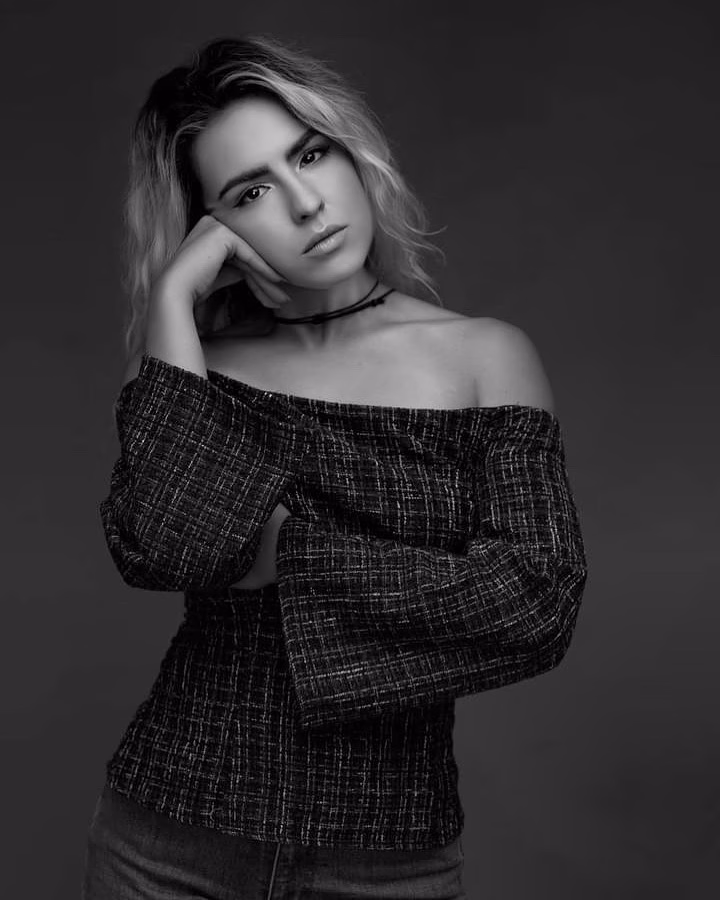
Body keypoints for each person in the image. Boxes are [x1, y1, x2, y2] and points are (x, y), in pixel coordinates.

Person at [81, 33, 588, 900]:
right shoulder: (186, 364)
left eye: (311, 154)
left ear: (354, 153)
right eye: (251, 192)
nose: (306, 203)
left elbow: (535, 603)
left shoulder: (484, 356)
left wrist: (288, 551)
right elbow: (168, 546)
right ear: (213, 229)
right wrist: (170, 298)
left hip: (390, 855)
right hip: (165, 838)